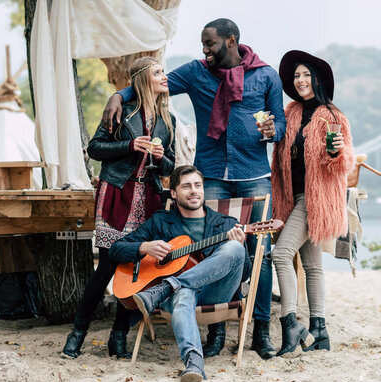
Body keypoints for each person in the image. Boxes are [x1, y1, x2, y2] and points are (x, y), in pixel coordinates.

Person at [101, 18, 285, 360]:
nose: (204, 50)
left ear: (230, 41)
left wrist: (274, 129)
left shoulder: (266, 75)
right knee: (212, 249)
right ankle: (216, 329)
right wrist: (119, 94)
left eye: (210, 44)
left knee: (261, 253)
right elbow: (156, 83)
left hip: (255, 175)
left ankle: (260, 330)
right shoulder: (196, 72)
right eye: (203, 44)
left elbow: (281, 123)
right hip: (212, 175)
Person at [61, 57, 176, 359]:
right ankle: (77, 333)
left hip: (149, 199)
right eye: (158, 72)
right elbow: (94, 148)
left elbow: (171, 165)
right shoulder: (121, 110)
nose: (164, 76)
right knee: (107, 268)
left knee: (135, 269)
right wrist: (129, 146)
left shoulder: (167, 120)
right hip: (117, 195)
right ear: (142, 79)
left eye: (163, 71)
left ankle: (118, 336)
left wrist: (162, 158)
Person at [108, 165, 250, 382]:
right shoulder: (160, 221)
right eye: (186, 186)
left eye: (198, 185)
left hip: (214, 293)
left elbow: (245, 273)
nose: (194, 191)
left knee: (235, 249)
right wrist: (144, 247)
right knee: (183, 292)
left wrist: (240, 245)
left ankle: (167, 286)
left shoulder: (226, 224)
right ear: (173, 193)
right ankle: (194, 363)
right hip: (179, 297)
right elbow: (116, 249)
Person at [270, 50, 355, 356]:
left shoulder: (333, 116)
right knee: (312, 266)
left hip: (314, 199)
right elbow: (280, 147)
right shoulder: (290, 112)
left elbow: (342, 163)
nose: (301, 80)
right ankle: (319, 331)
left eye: (306, 75)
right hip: (293, 197)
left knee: (280, 255)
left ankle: (290, 323)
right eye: (297, 75)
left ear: (317, 80)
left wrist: (335, 151)